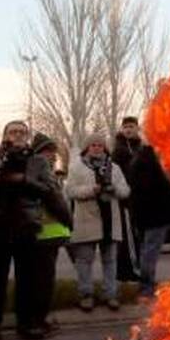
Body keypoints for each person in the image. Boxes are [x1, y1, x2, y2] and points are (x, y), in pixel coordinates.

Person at [0, 121, 62, 340]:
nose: (17, 135)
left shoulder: (38, 162)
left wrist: (24, 180)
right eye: (12, 132)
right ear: (4, 135)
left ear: (27, 137)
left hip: (26, 227)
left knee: (26, 278)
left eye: (21, 132)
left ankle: (27, 324)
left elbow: (49, 190)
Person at [65, 133, 132, 310]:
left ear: (105, 148)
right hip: (87, 220)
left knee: (110, 261)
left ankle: (110, 294)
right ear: (87, 148)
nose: (96, 148)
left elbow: (126, 191)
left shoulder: (114, 168)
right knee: (84, 261)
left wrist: (115, 188)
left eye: (100, 145)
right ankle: (86, 294)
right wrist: (91, 190)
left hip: (110, 222)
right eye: (93, 145)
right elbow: (70, 191)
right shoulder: (76, 167)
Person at [28, 133, 72, 339]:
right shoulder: (38, 172)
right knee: (42, 281)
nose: (52, 155)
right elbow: (56, 203)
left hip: (50, 235)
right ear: (38, 153)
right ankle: (38, 322)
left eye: (53, 151)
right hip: (43, 235)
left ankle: (38, 319)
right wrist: (69, 220)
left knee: (42, 280)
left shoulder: (44, 172)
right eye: (48, 151)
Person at [128, 144, 170, 300]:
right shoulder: (157, 163)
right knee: (150, 252)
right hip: (157, 216)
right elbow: (168, 190)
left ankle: (145, 285)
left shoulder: (138, 161)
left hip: (142, 216)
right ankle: (146, 288)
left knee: (145, 251)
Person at [111, 116, 143, 283]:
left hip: (140, 200)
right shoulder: (120, 149)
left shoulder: (141, 147)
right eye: (126, 127)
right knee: (128, 237)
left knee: (137, 236)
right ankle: (130, 272)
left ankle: (133, 269)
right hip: (126, 201)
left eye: (131, 126)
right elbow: (115, 174)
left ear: (137, 128)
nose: (128, 130)